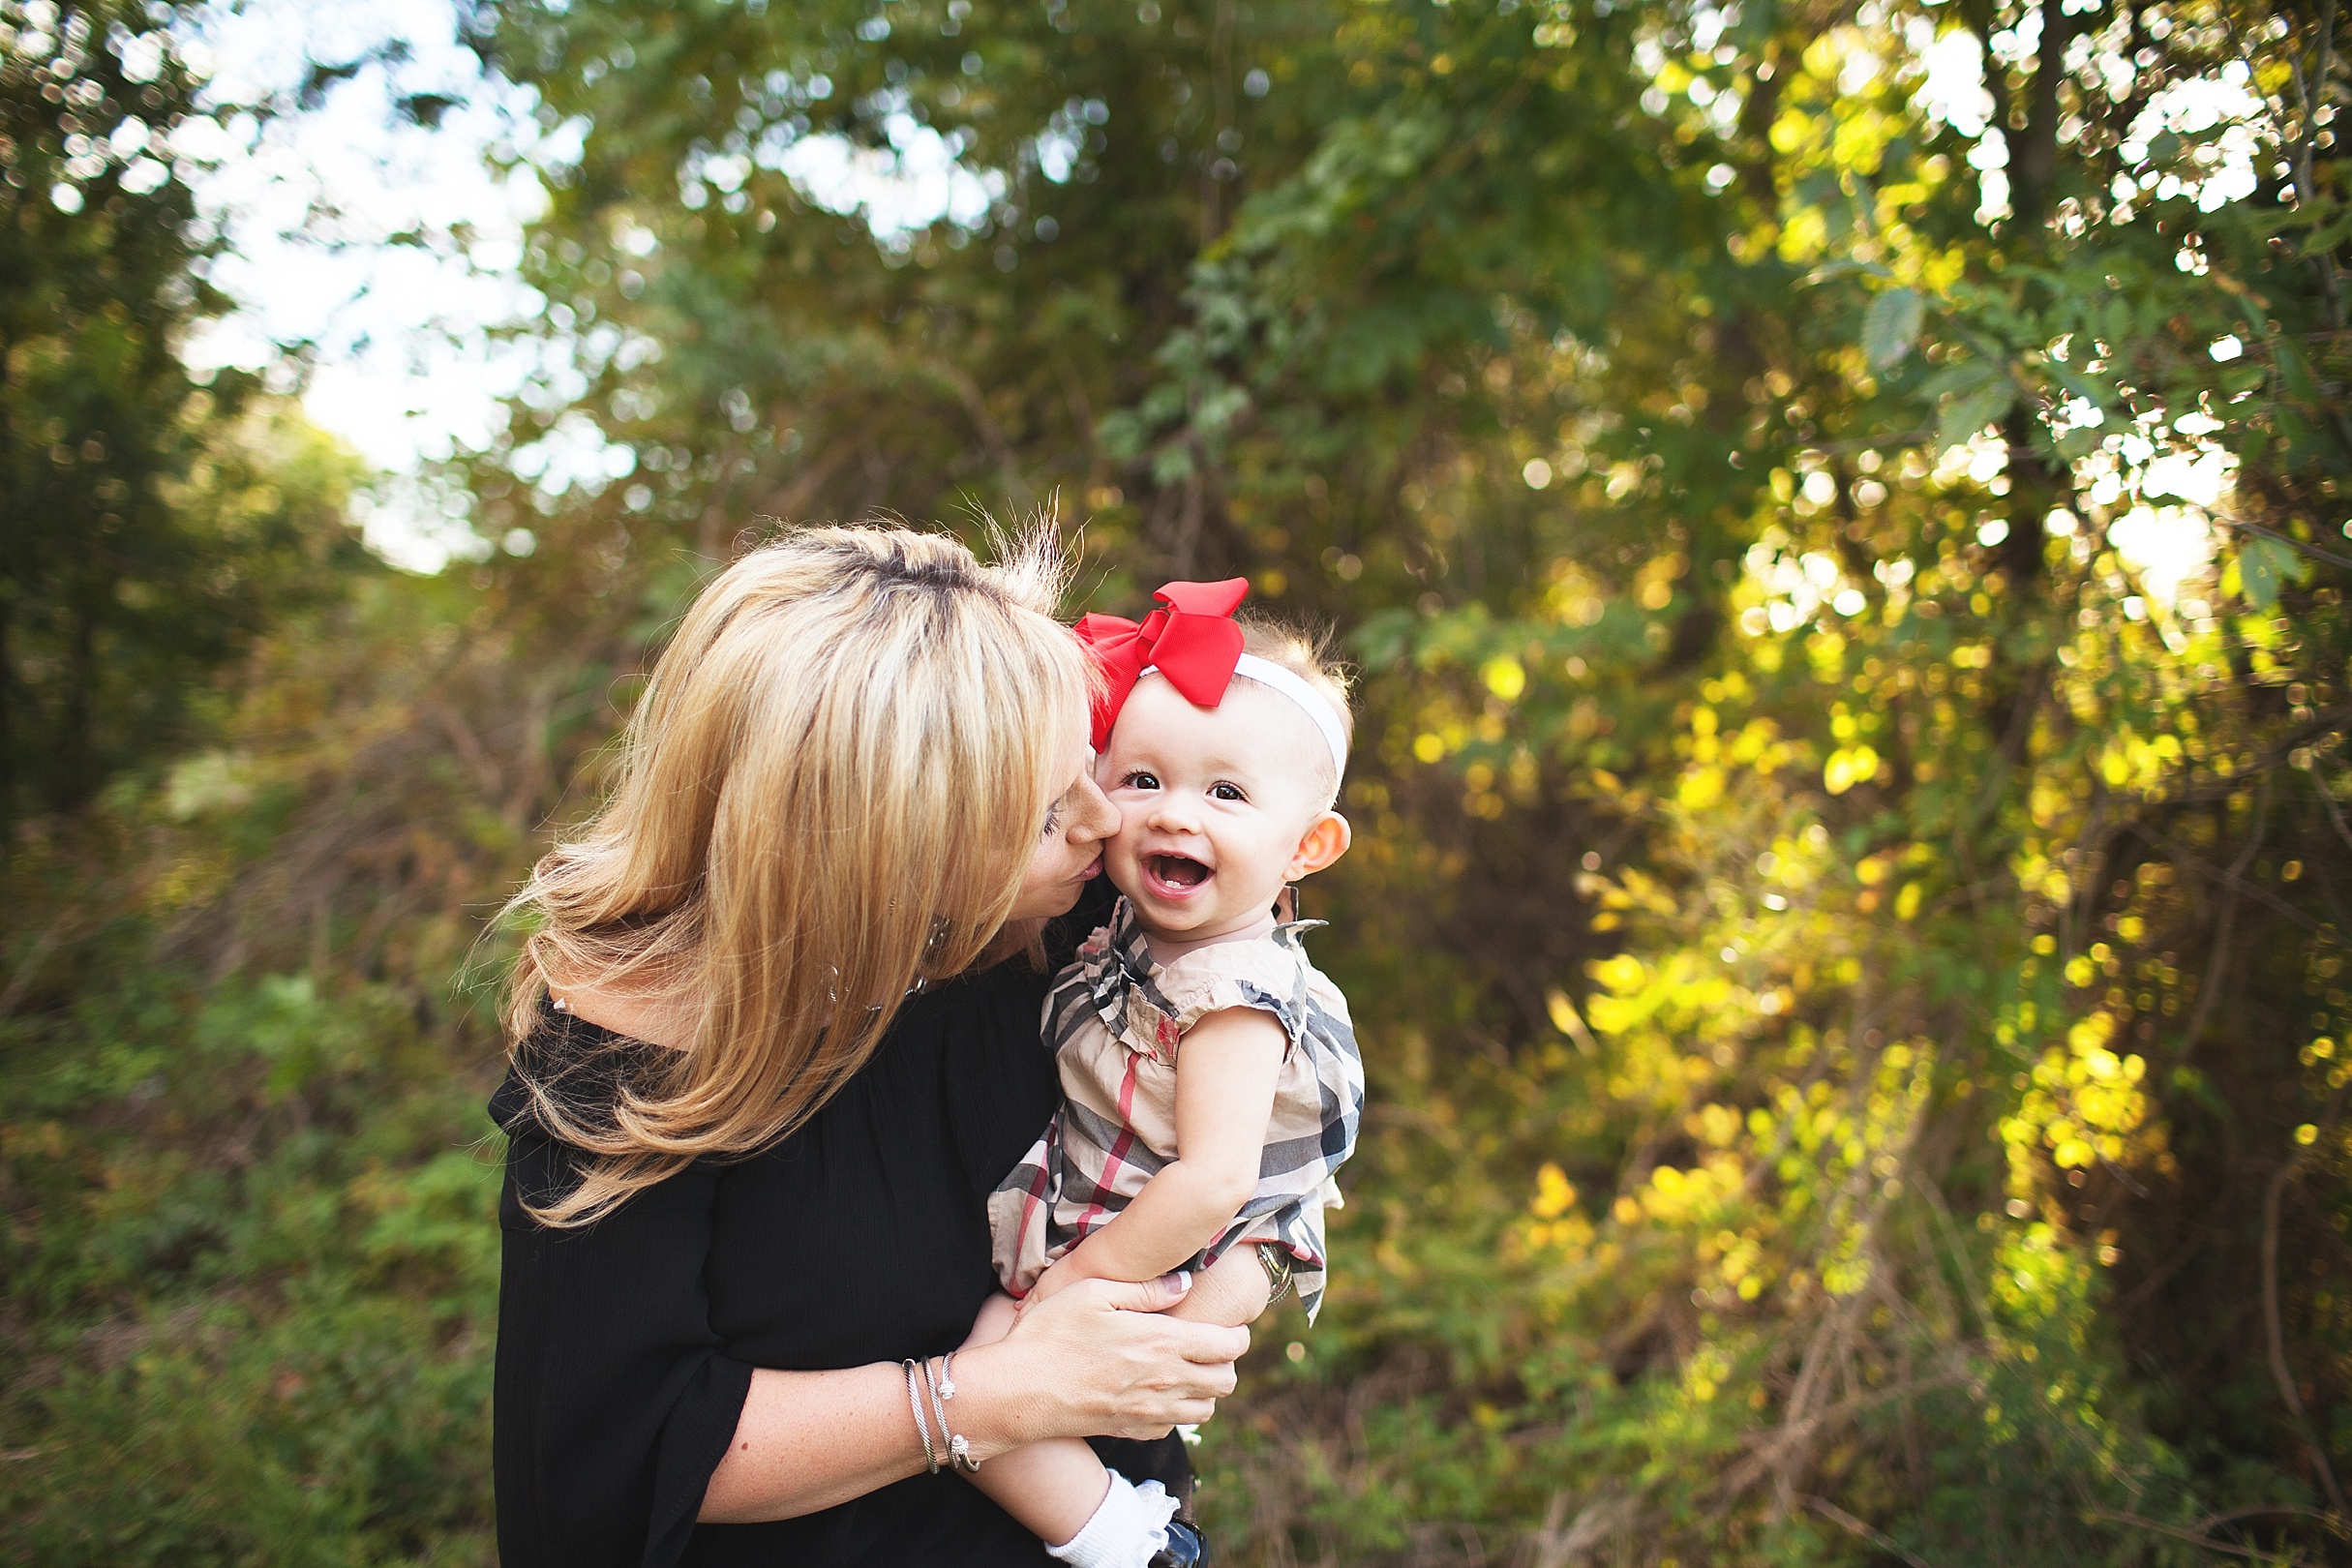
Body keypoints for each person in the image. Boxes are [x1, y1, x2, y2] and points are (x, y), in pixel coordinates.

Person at [489, 528, 1250, 1568]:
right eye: (1037, 814)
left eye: (1090, 766)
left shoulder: (1075, 926)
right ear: (877, 845)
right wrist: (988, 1397)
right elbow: (625, 1451)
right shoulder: (638, 1050)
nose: (1100, 819)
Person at [960, 581, 1367, 1567]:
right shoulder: (1145, 935)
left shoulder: (1231, 993)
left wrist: (1071, 1288)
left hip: (1159, 1242)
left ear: (1306, 845)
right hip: (1132, 1218)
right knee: (989, 1393)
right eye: (1142, 779)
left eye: (1225, 794)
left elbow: (1217, 1181)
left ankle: (1131, 1541)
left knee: (975, 1389)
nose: (1173, 814)